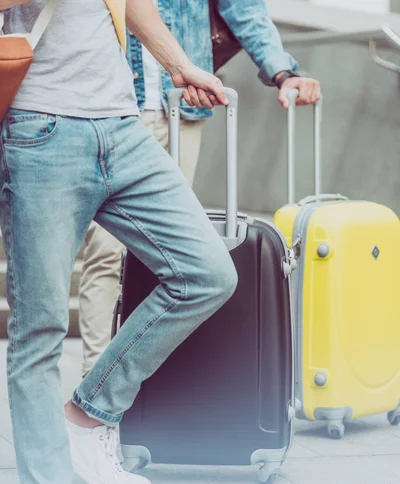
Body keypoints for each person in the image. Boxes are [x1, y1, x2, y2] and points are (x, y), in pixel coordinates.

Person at [0, 0, 238, 484]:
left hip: (122, 125)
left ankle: (91, 411)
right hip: (40, 127)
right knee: (41, 329)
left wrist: (179, 64)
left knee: (207, 272)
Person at [79, 0, 321, 377]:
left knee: (173, 255)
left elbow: (243, 7)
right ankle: (95, 388)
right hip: (114, 108)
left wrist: (282, 71)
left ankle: (145, 386)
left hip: (183, 109)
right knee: (107, 252)